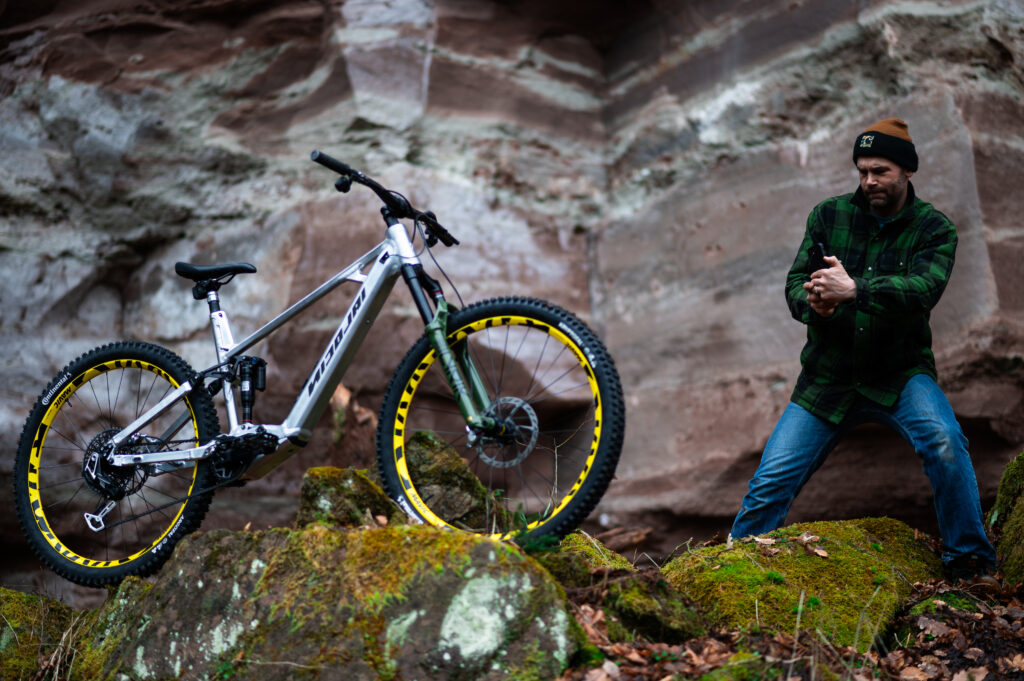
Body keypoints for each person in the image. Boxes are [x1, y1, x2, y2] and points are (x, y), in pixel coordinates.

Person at [729, 118, 997, 580]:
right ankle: (735, 568)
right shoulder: (828, 216)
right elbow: (796, 283)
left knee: (946, 442)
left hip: (899, 373)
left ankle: (970, 562)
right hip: (827, 377)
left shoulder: (935, 229)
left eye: (880, 171)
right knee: (769, 481)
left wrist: (856, 289)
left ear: (907, 171)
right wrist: (816, 306)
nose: (869, 180)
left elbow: (923, 290)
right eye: (862, 171)